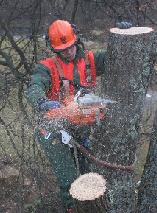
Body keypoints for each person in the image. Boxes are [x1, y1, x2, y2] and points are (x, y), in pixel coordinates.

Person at [25, 20, 110, 212]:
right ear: (55, 49)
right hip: (53, 132)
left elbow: (116, 56)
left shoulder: (90, 60)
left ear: (76, 41)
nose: (68, 52)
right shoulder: (47, 67)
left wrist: (121, 36)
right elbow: (35, 86)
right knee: (69, 180)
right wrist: (41, 101)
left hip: (79, 130)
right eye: (62, 50)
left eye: (70, 47)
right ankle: (71, 209)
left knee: (90, 176)